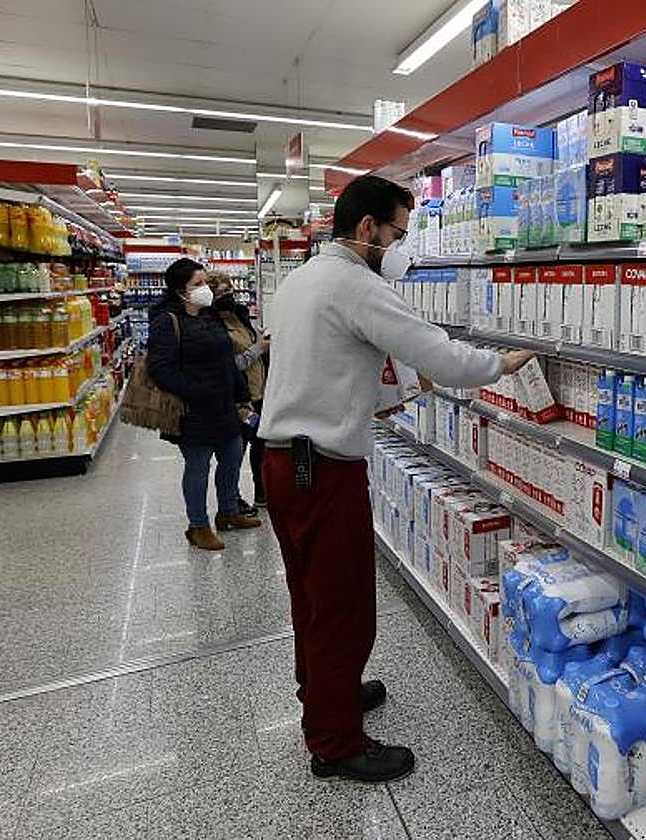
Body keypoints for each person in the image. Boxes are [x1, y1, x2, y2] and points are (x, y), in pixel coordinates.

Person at [259, 175, 533, 784]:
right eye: (397, 234)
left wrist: (402, 391)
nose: (400, 246)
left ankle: (327, 695)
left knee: (311, 597)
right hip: (322, 470)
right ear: (366, 230)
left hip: (282, 461)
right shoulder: (357, 283)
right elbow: (435, 350)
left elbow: (333, 366)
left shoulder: (302, 278)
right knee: (344, 605)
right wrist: (498, 363)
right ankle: (336, 743)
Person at [148, 258, 262, 551]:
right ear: (179, 290)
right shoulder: (166, 321)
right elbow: (160, 369)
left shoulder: (209, 315)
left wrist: (239, 395)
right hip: (194, 410)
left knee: (233, 456)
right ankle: (198, 525)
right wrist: (198, 391)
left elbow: (226, 358)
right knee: (198, 466)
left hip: (224, 405)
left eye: (205, 283)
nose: (205, 289)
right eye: (197, 284)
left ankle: (228, 512)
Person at [207, 271, 268, 513]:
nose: (229, 295)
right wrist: (257, 349)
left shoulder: (239, 316)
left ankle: (262, 493)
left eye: (230, 290)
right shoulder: (211, 326)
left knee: (260, 448)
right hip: (237, 399)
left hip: (258, 393)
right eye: (222, 292)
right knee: (234, 455)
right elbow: (228, 366)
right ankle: (232, 501)